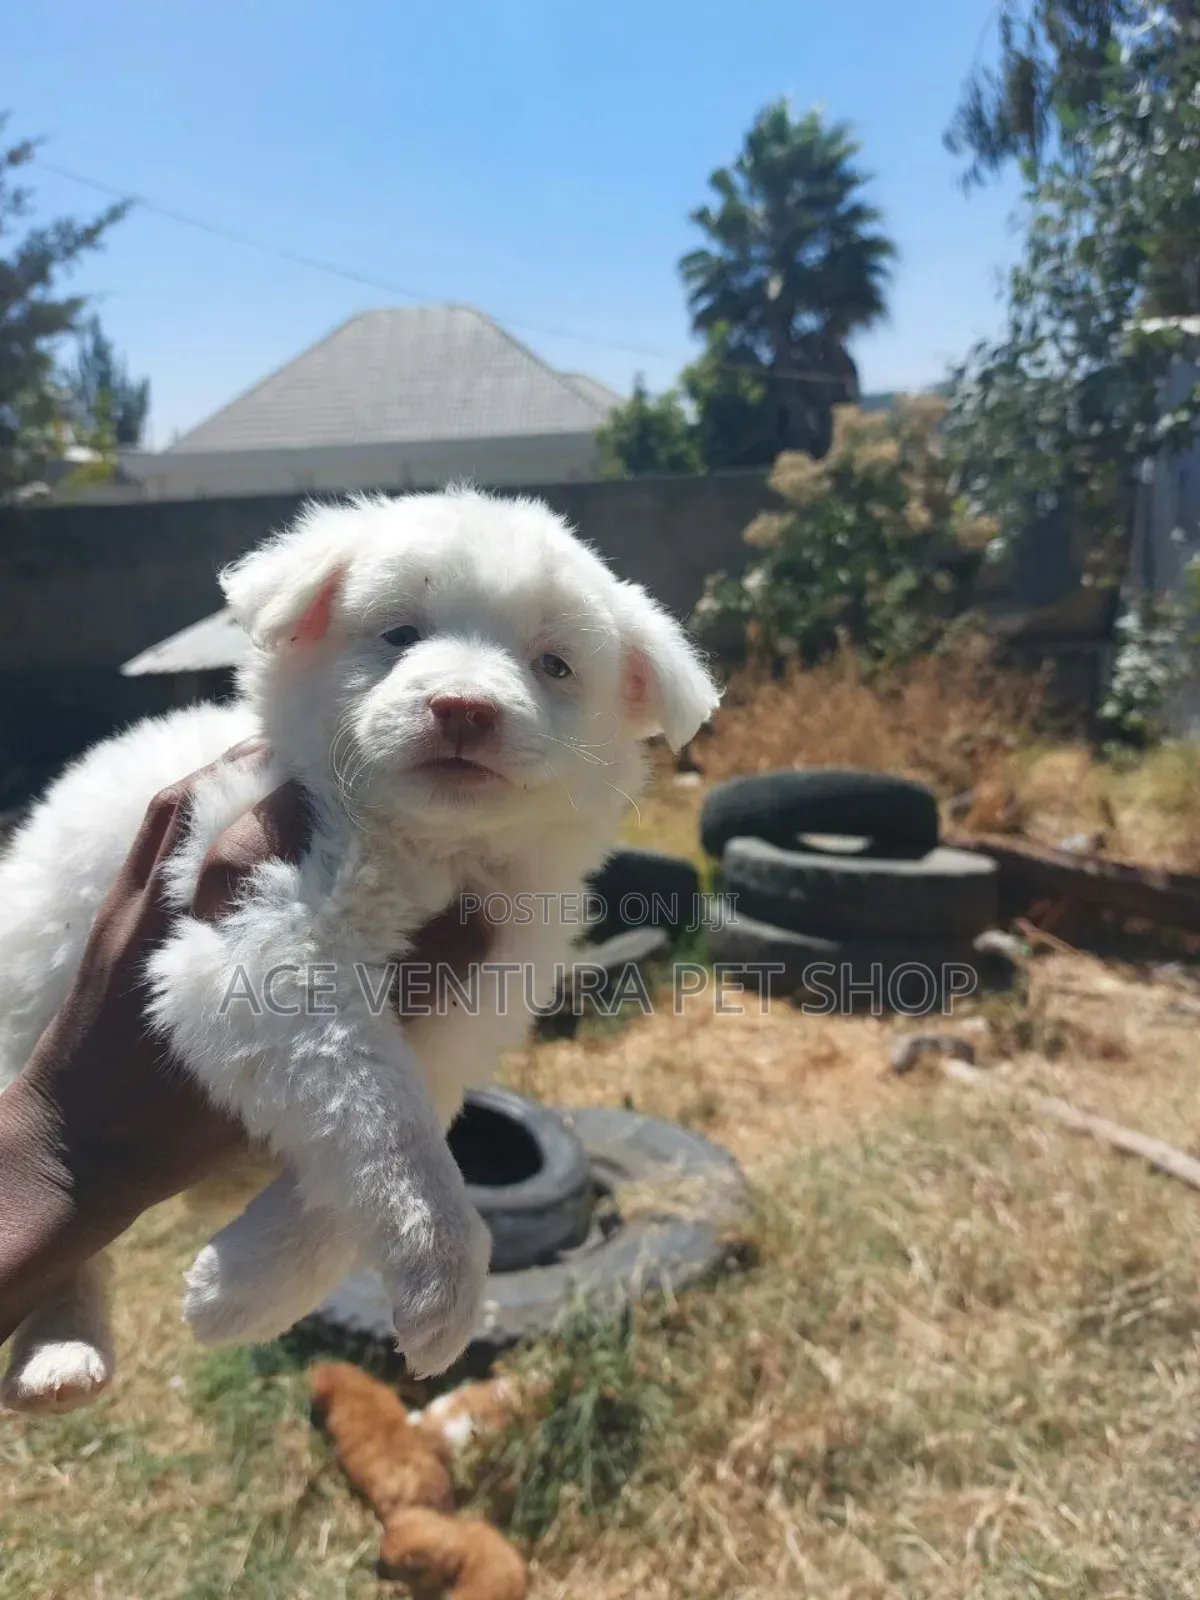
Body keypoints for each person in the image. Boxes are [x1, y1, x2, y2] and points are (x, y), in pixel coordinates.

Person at [0, 742, 483, 1354]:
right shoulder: (322, 808)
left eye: (553, 666)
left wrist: (296, 1248)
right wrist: (59, 1145)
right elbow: (250, 984)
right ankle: (64, 1303)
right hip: (63, 945)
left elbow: (431, 1060)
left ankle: (60, 1295)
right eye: (401, 637)